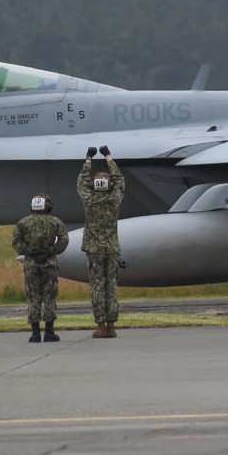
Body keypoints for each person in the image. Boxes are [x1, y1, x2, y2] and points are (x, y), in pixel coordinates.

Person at [77, 145, 124, 338]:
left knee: (97, 285)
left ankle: (100, 325)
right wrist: (108, 157)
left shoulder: (89, 200)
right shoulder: (114, 200)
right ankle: (111, 325)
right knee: (111, 284)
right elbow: (120, 180)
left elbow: (82, 182)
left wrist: (88, 159)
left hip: (93, 249)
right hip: (112, 248)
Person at [11, 194, 69, 343]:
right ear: (48, 206)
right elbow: (64, 239)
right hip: (49, 263)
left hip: (31, 264)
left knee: (33, 297)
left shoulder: (23, 223)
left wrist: (29, 252)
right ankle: (49, 332)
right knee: (49, 296)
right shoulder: (55, 222)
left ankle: (35, 333)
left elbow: (16, 242)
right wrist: (51, 251)